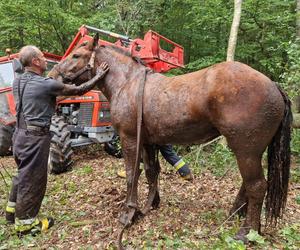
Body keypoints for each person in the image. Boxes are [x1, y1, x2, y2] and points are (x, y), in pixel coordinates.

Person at [5, 45, 109, 236]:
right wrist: (98, 76)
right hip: (35, 138)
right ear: (35, 61)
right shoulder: (47, 84)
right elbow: (79, 90)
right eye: (43, 57)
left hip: (19, 135)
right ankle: (26, 225)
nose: (46, 60)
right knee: (33, 178)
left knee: (22, 173)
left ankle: (10, 213)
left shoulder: (17, 82)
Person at [117, 144, 193, 181]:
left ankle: (132, 173)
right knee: (169, 153)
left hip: (158, 133)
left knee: (142, 153)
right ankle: (185, 172)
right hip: (166, 133)